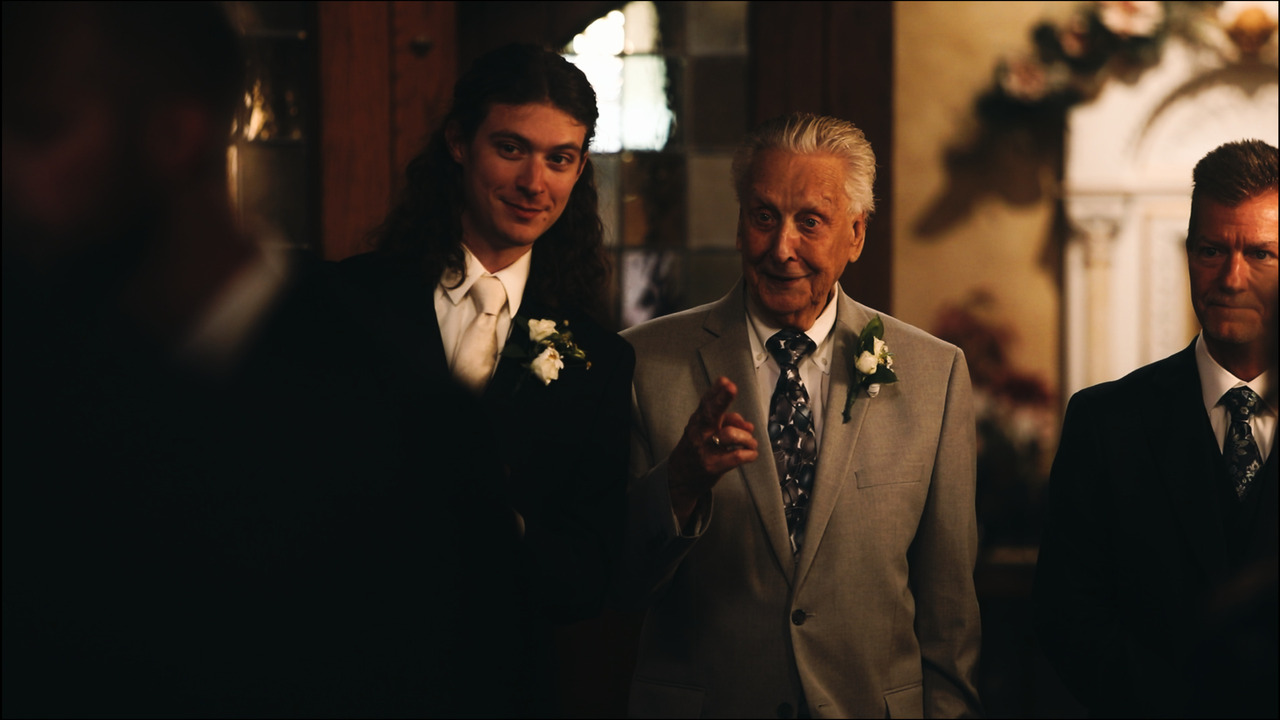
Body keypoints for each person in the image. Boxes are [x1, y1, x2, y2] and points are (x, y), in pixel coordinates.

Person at [2, 3, 505, 716]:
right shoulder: (33, 376)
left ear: (175, 135)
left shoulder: (404, 425)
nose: (10, 177)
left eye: (40, 129)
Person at [618, 112, 983, 718]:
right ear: (740, 227)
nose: (781, 247)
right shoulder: (644, 364)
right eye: (764, 217)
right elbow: (621, 583)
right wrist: (680, 484)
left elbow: (951, 616)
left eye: (810, 222)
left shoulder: (933, 374)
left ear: (857, 236)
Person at [337, 43, 635, 716]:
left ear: (581, 167)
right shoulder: (346, 302)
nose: (536, 182)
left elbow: (587, 580)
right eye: (512, 148)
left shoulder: (599, 360)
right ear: (458, 143)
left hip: (500, 688)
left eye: (560, 158)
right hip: (342, 673)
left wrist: (509, 528)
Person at [1034, 139, 1278, 718]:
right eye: (1212, 250)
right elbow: (1068, 615)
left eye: (1262, 254)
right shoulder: (1104, 421)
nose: (1232, 277)